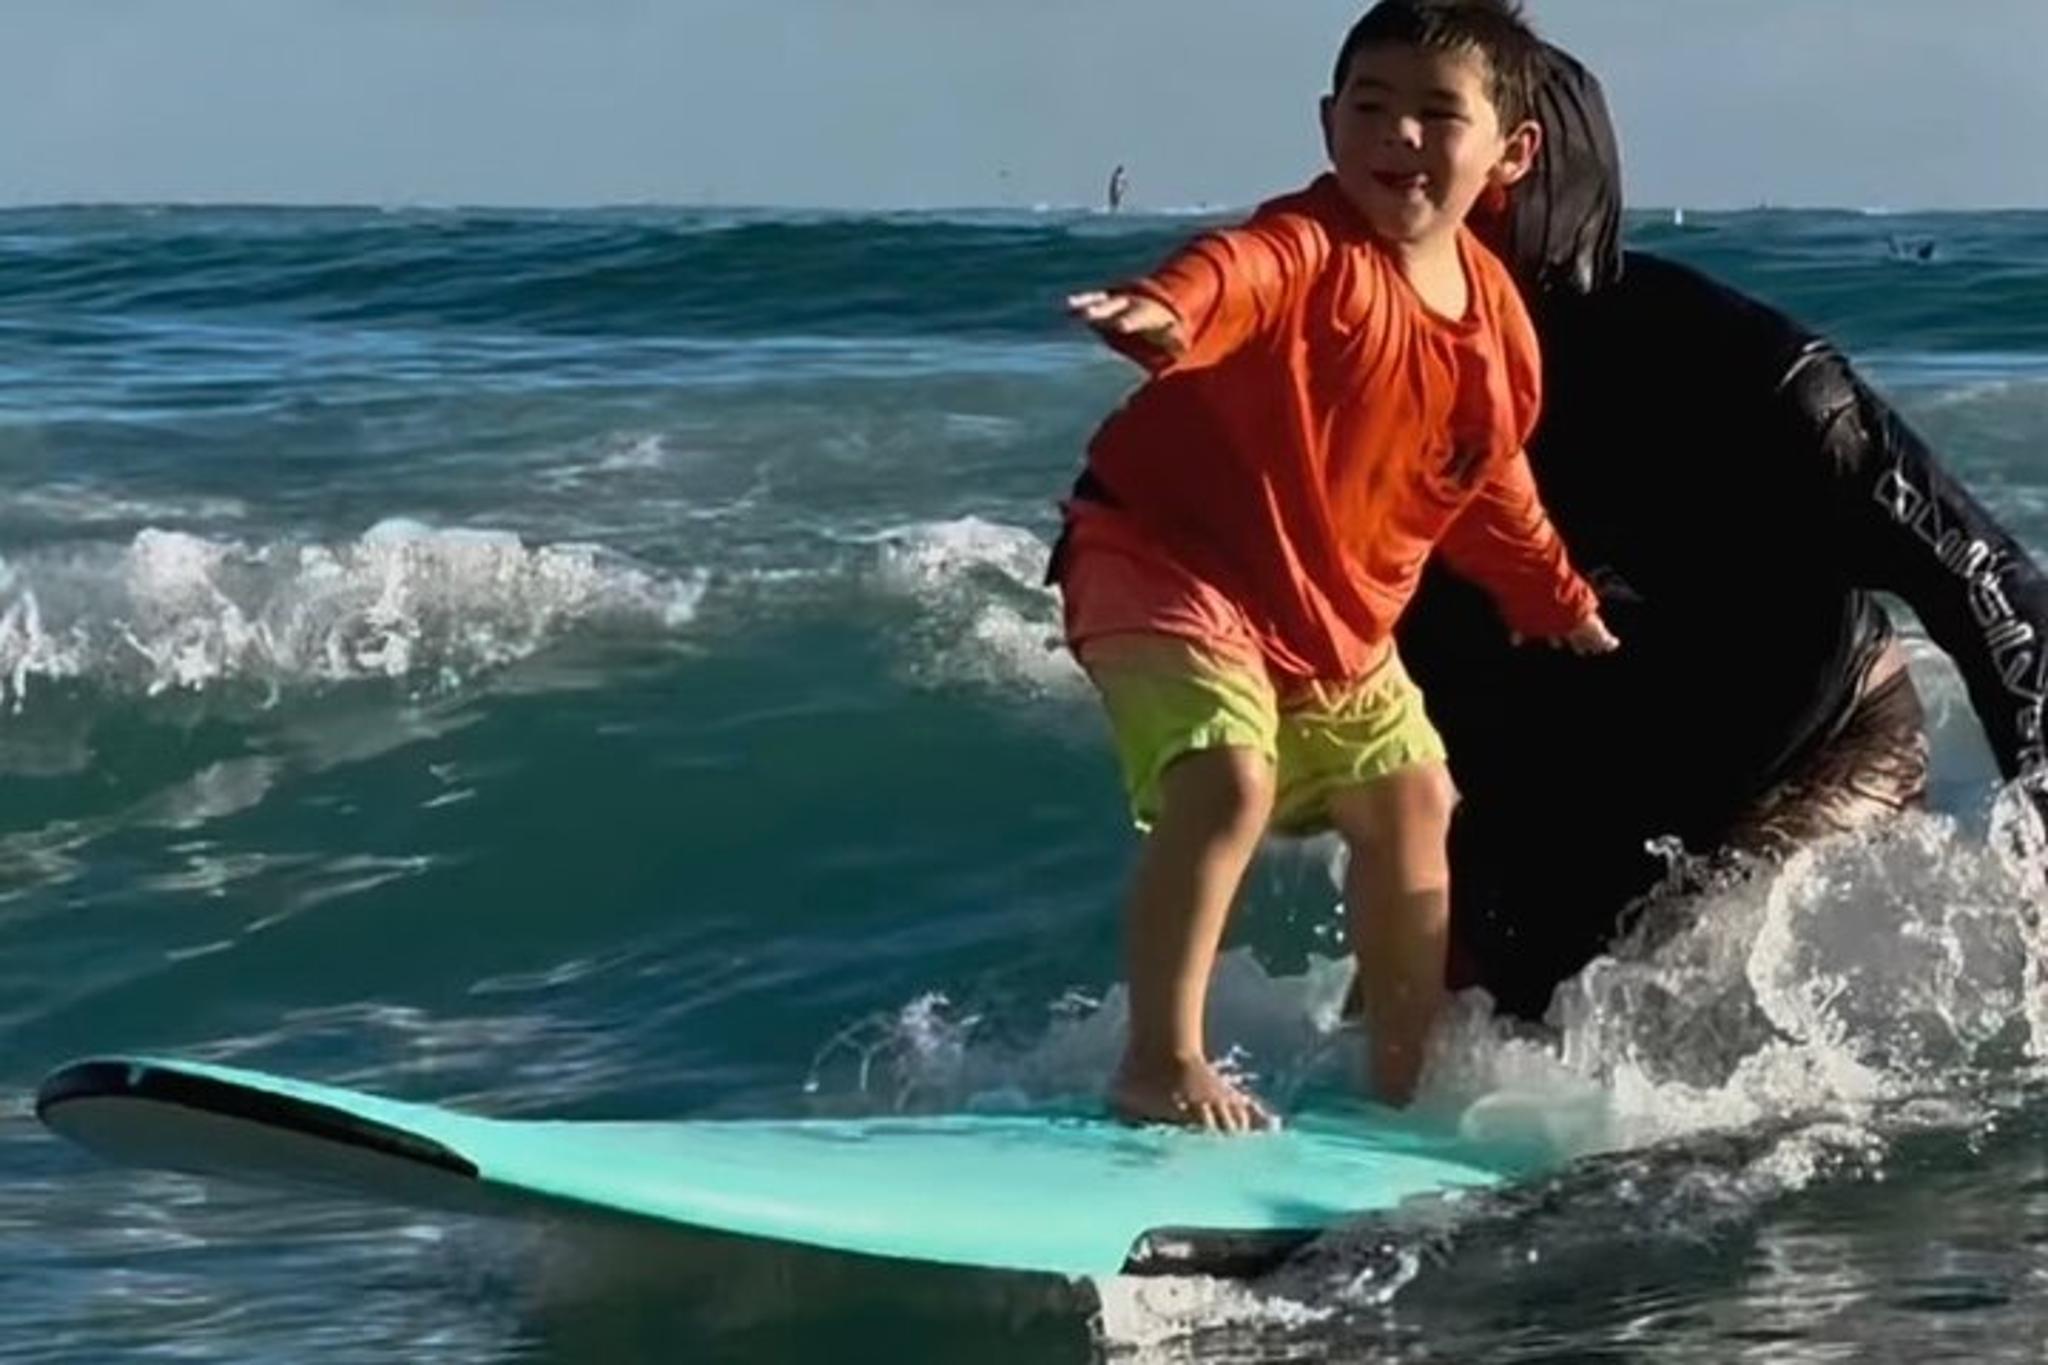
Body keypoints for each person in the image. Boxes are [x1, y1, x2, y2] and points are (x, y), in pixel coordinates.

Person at [1397, 45, 2048, 1022]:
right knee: (1436, 1056)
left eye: (1444, 136)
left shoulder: (1744, 380)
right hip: (1555, 781)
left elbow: (1985, 583)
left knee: (1667, 1018)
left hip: (1805, 752)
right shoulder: (1356, 381)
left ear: (1532, 162)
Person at [1055, 0, 1617, 1132]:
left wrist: (1551, 597)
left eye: (1433, 114)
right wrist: (1168, 311)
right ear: (1325, 124)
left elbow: (1488, 485)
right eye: (1369, 108)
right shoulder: (1309, 248)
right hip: (1165, 558)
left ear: (1510, 153)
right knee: (1226, 777)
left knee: (1415, 802)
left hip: (1330, 620)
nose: (1395, 136)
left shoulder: (1497, 332)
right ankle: (1158, 1066)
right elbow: (1236, 273)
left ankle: (1395, 1090)